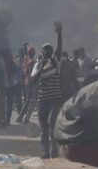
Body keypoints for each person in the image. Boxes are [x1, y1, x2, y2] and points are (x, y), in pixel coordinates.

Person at [31, 21, 63, 159]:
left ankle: (54, 150)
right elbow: (33, 80)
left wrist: (59, 35)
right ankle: (45, 151)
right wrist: (41, 66)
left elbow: (60, 48)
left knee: (52, 122)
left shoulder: (55, 60)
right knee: (43, 126)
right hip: (42, 98)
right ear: (42, 52)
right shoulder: (38, 64)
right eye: (45, 50)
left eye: (50, 50)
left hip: (55, 98)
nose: (48, 52)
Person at [16, 46, 37, 124]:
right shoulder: (32, 62)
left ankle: (20, 117)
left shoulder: (26, 61)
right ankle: (26, 118)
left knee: (28, 101)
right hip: (31, 82)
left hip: (27, 81)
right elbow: (33, 73)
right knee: (33, 100)